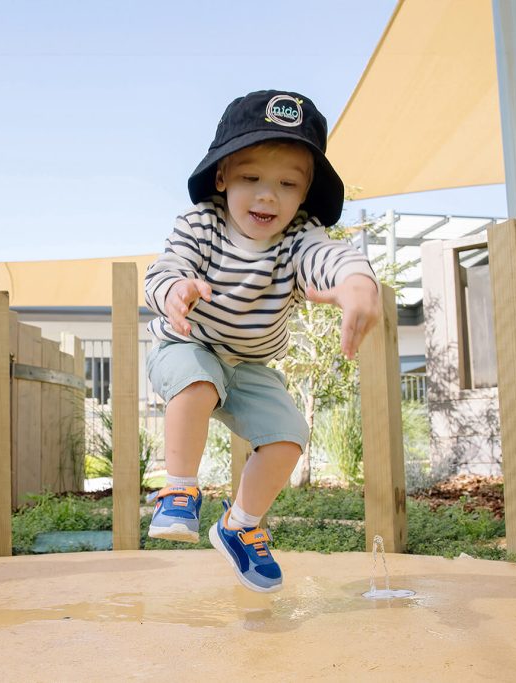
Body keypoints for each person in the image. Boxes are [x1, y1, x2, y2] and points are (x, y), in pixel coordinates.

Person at [144, 90, 381, 592]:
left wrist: (356, 284)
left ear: (305, 191)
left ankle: (241, 524)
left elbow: (330, 257)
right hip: (187, 345)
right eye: (251, 178)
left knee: (289, 434)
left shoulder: (299, 239)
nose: (267, 196)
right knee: (197, 382)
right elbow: (167, 268)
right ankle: (180, 489)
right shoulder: (201, 224)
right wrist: (177, 290)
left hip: (250, 366)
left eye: (287, 183)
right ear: (223, 176)